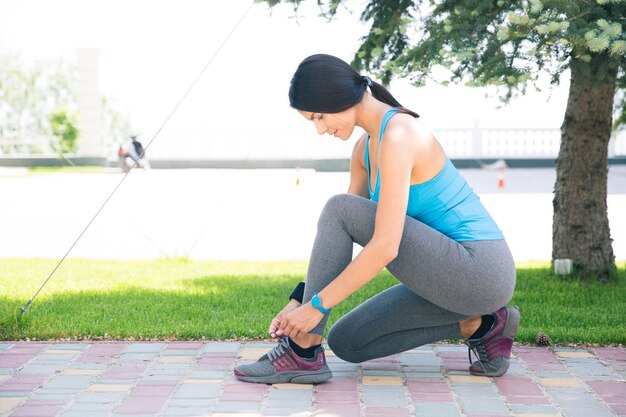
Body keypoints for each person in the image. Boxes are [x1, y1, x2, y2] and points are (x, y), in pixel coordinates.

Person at [234, 54, 519, 384]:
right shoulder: (362, 150)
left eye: (319, 117)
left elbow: (384, 245)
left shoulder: (400, 135)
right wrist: (300, 299)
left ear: (337, 97)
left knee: (338, 208)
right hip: (447, 277)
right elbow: (339, 238)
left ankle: (302, 351)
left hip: (480, 269)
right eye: (312, 121)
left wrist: (315, 308)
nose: (320, 129)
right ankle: (485, 325)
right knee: (349, 342)